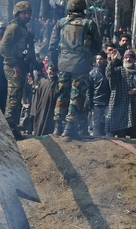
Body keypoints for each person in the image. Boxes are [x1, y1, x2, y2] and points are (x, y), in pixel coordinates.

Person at [49, 0, 101, 139]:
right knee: (76, 96)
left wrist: (55, 64)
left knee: (62, 95)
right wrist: (87, 55)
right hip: (81, 66)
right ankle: (69, 128)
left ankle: (57, 127)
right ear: (83, 9)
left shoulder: (61, 23)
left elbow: (52, 45)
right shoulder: (89, 24)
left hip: (63, 65)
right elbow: (98, 46)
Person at [0, 1, 35, 139]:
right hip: (13, 67)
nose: (27, 16)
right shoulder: (13, 27)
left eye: (28, 13)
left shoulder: (24, 29)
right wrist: (14, 64)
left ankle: (13, 127)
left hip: (21, 66)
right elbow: (3, 47)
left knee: (18, 98)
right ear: (17, 14)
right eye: (24, 13)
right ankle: (8, 130)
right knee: (13, 99)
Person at [105, 49, 136, 137]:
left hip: (134, 105)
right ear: (123, 59)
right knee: (121, 132)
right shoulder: (119, 70)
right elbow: (109, 74)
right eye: (126, 58)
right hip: (120, 103)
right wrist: (112, 62)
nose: (128, 59)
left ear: (134, 59)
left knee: (135, 130)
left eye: (130, 57)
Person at [30, 63, 59, 136]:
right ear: (46, 70)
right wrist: (34, 111)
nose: (52, 72)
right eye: (50, 69)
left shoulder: (58, 82)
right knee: (39, 125)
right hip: (41, 108)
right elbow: (37, 96)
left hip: (52, 109)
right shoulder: (42, 81)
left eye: (54, 70)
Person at [88, 52, 110, 136]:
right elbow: (89, 89)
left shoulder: (109, 71)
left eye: (101, 59)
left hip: (108, 101)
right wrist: (90, 103)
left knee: (108, 122)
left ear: (105, 60)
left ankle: (110, 139)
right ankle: (95, 138)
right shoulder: (92, 73)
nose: (99, 61)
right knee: (96, 123)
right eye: (97, 59)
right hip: (96, 102)